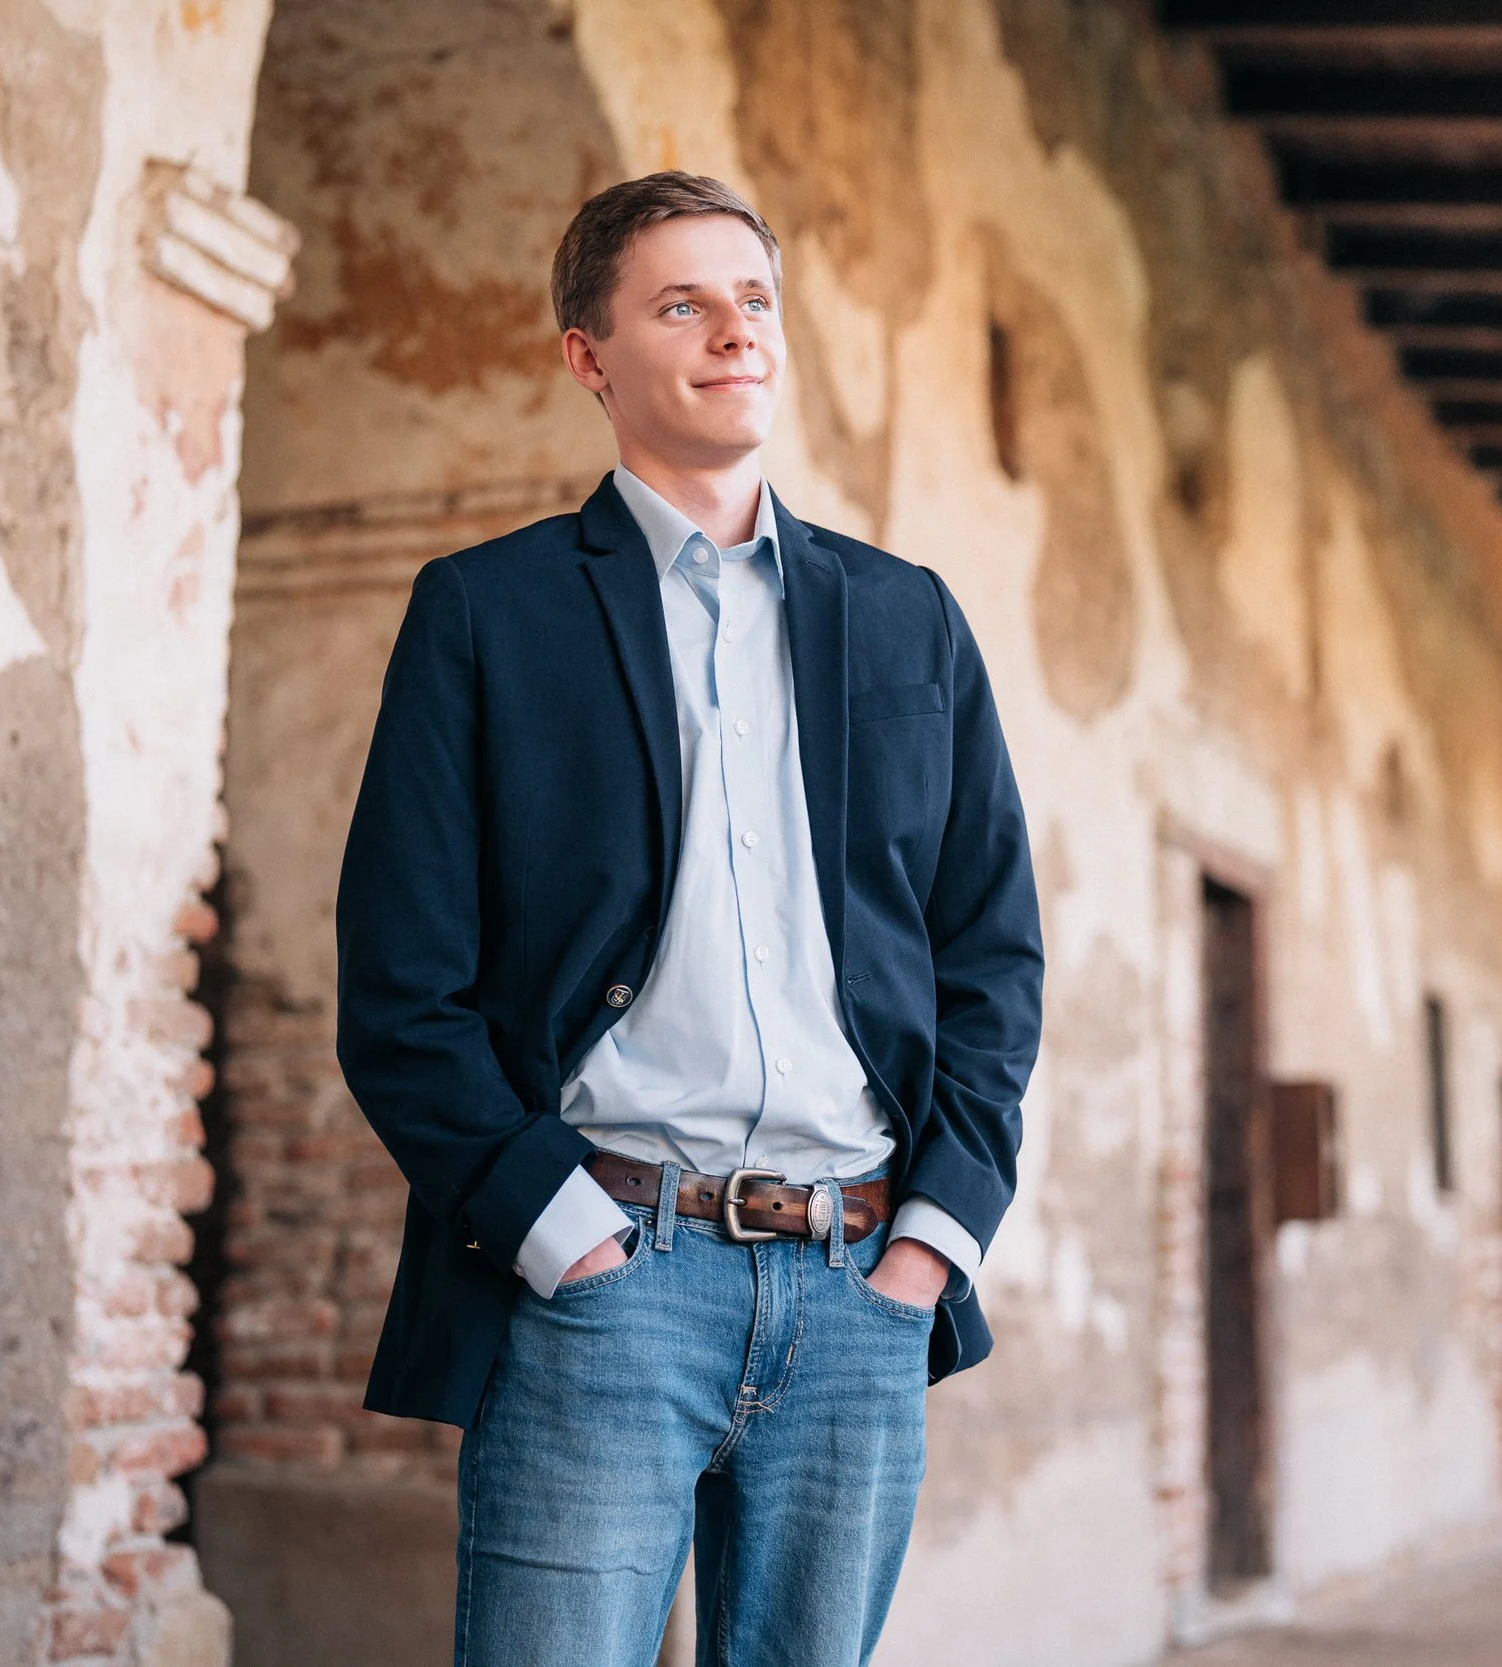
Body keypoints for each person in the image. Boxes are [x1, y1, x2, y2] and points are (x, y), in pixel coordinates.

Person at [333, 170, 1043, 1667]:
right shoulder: (488, 612)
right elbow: (404, 987)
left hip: (860, 1288)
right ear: (589, 357)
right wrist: (561, 1233)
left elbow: (992, 952)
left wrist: (935, 1237)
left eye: (755, 299)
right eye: (682, 303)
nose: (737, 331)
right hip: (607, 1279)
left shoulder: (909, 618)